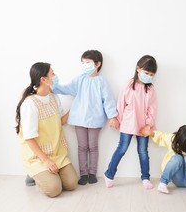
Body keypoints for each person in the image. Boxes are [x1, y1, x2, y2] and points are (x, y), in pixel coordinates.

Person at [52, 50, 119, 185]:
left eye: (88, 62)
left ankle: (92, 173)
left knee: (93, 146)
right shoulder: (80, 79)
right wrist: (53, 86)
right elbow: (66, 89)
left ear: (98, 64)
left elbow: (108, 100)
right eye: (83, 63)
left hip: (95, 119)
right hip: (79, 119)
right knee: (82, 146)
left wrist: (113, 116)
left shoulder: (101, 81)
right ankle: (83, 174)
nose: (84, 65)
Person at [15, 62, 78, 197]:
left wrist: (76, 107)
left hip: (56, 152)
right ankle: (33, 173)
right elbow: (29, 138)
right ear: (43, 79)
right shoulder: (30, 104)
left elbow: (60, 121)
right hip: (38, 156)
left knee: (72, 184)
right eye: (52, 73)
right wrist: (46, 161)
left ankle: (49, 175)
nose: (55, 76)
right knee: (54, 190)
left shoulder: (54, 98)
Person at [104, 55, 157, 190]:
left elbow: (152, 108)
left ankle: (145, 177)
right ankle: (109, 174)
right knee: (122, 148)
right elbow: (121, 102)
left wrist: (148, 124)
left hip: (143, 125)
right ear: (138, 69)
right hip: (128, 122)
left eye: (151, 74)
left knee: (143, 151)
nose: (148, 76)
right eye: (146, 73)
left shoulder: (150, 90)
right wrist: (117, 118)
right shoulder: (129, 85)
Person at [140, 124, 186, 197]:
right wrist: (150, 133)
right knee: (177, 158)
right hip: (177, 178)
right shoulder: (172, 140)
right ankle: (163, 183)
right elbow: (162, 137)